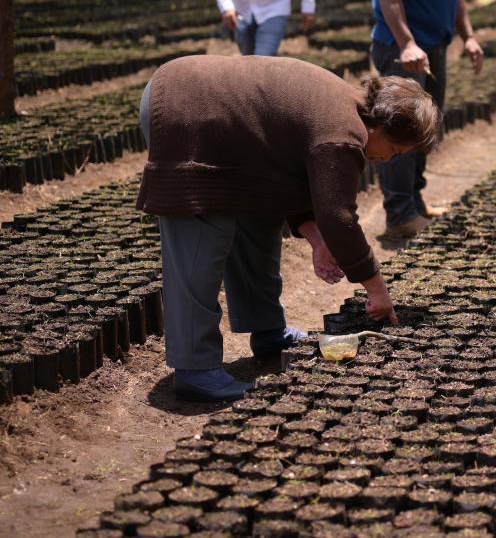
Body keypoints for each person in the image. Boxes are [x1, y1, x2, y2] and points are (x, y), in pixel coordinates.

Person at [137, 55, 442, 401]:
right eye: (395, 150)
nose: (387, 159)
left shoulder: (346, 110)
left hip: (219, 121)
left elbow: (289, 177)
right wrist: (377, 289)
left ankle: (267, 330)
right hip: (185, 107)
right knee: (202, 240)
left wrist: (316, 239)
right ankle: (195, 368)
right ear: (381, 125)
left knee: (261, 216)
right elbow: (339, 218)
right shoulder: (344, 133)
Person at [371, 0, 484, 239]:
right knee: (401, 129)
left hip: (434, 47)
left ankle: (415, 202)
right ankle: (399, 214)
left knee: (425, 127)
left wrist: (468, 36)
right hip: (401, 49)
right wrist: (406, 44)